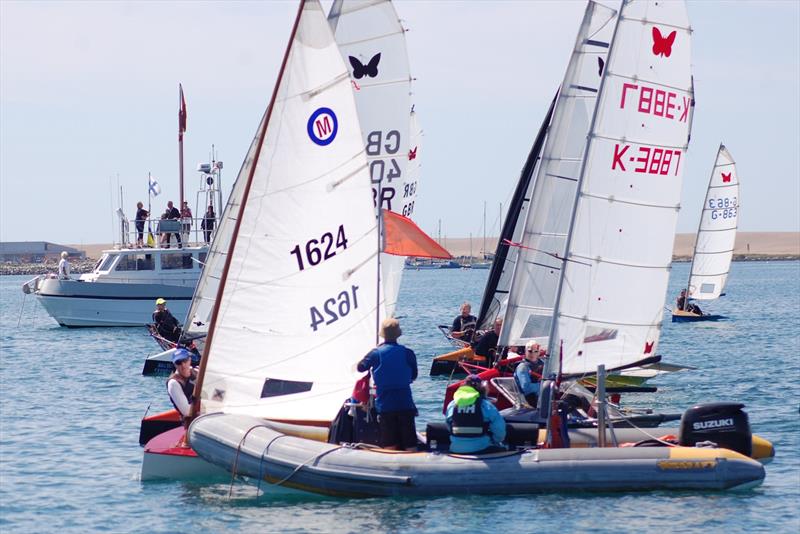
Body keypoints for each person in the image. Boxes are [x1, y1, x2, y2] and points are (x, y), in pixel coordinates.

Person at [356, 318, 418, 451]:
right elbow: (414, 376)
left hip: (386, 405)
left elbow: (360, 367)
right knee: (410, 445)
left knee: (390, 445)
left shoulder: (376, 353)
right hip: (405, 403)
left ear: (383, 334)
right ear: (398, 334)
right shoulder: (408, 353)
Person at [445, 374, 506, 454]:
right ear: (481, 388)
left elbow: (449, 426)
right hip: (481, 448)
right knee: (504, 448)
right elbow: (500, 431)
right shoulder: (486, 405)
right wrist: (495, 440)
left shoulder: (452, 404)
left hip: (455, 449)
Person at [167, 348, 197, 422]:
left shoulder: (196, 372)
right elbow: (187, 412)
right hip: (192, 423)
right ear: (175, 365)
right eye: (179, 362)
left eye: (185, 360)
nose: (183, 365)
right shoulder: (173, 383)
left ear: (189, 360)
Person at [514, 340, 546, 407]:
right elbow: (526, 388)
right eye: (530, 351)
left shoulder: (544, 364)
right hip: (531, 402)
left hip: (544, 397)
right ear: (525, 351)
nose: (532, 354)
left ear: (539, 352)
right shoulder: (523, 367)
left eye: (536, 351)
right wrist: (544, 385)